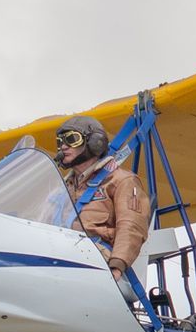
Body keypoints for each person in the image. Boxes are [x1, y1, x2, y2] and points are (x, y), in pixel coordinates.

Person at [54, 114, 150, 280]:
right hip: (62, 260)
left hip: (100, 265)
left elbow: (131, 225)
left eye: (71, 139)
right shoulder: (61, 189)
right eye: (60, 141)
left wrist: (117, 266)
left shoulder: (121, 180)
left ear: (94, 143)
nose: (63, 146)